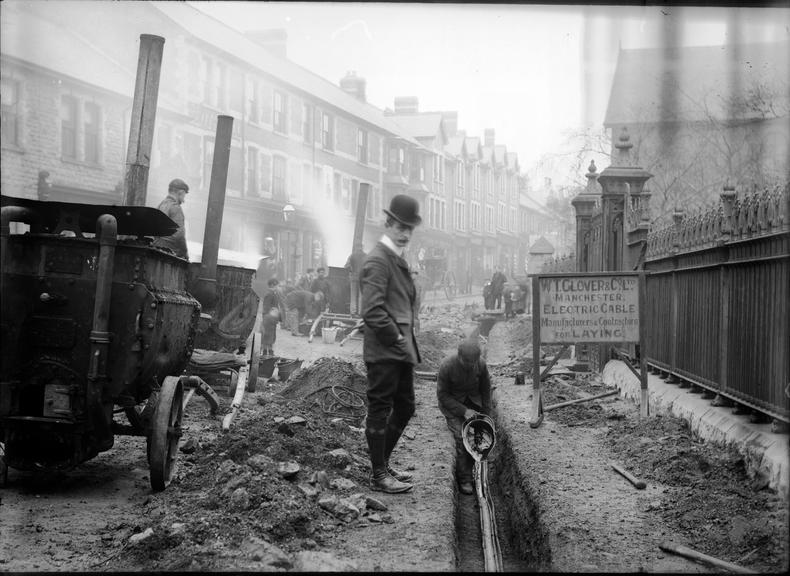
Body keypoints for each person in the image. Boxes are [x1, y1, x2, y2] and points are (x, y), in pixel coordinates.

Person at [360, 193, 422, 494]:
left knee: (406, 407)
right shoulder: (378, 260)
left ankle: (381, 462)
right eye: (400, 227)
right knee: (381, 408)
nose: (405, 233)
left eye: (410, 228)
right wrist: (397, 339)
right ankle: (379, 474)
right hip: (385, 350)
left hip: (399, 351)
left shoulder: (395, 259)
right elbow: (372, 310)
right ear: (387, 224)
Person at [436, 340, 492, 495]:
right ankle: (465, 479)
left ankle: (477, 467)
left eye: (473, 362)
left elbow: (486, 390)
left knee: (480, 437)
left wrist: (487, 415)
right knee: (463, 439)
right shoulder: (447, 366)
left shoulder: (481, 364)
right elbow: (442, 395)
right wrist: (463, 411)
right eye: (467, 362)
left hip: (475, 403)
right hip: (453, 406)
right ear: (459, 356)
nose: (470, 365)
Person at [153, 178, 189, 259]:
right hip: (170, 254)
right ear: (181, 192)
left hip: (156, 250)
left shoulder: (161, 205)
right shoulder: (175, 208)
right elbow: (179, 235)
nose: (183, 200)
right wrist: (185, 253)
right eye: (184, 196)